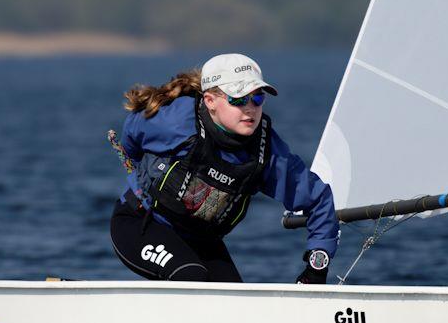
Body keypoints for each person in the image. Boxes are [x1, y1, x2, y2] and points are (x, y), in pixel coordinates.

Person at [109, 53, 338, 283]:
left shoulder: (267, 152)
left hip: (200, 240)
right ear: (210, 101)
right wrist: (143, 169)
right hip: (141, 222)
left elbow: (318, 200)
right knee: (190, 275)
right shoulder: (176, 121)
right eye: (238, 99)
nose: (250, 109)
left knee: (236, 300)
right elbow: (132, 132)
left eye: (257, 98)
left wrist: (317, 266)